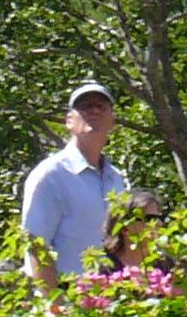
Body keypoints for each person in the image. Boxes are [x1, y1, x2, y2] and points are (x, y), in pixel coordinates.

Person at [18, 81, 129, 287]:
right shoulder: (51, 175)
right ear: (69, 121)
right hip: (70, 303)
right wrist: (54, 304)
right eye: (86, 106)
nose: (94, 111)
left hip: (114, 303)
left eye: (101, 106)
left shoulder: (116, 178)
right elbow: (35, 245)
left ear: (112, 121)